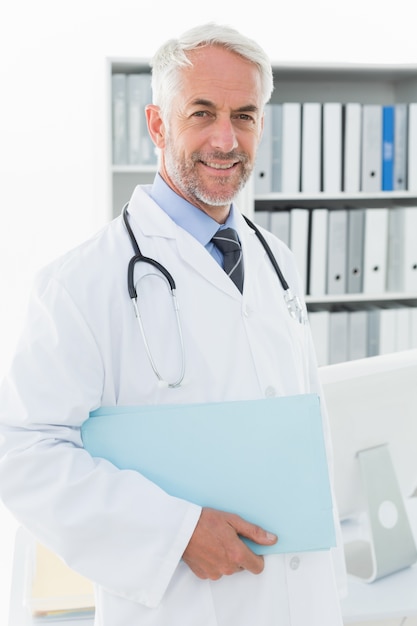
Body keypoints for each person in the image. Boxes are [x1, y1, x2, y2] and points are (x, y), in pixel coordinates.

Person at [0, 22, 345, 626]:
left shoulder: (277, 261)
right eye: (202, 113)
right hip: (184, 604)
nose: (225, 138)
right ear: (158, 124)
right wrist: (175, 533)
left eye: (244, 115)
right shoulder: (81, 283)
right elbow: (22, 451)